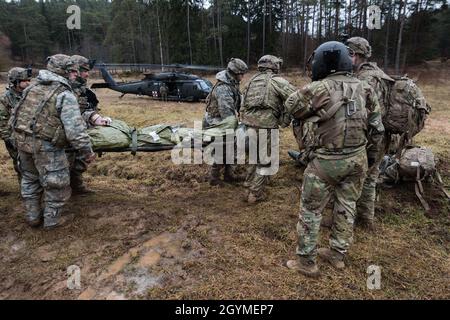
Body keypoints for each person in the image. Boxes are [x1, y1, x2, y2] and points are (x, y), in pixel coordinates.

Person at [284, 41, 384, 277]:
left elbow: (292, 107)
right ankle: (337, 255)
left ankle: (306, 263)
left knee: (310, 210)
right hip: (358, 159)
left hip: (326, 161)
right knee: (347, 206)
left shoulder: (319, 88)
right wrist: (369, 158)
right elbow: (377, 129)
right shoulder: (366, 88)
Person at [10, 54, 96, 229]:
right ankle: (52, 222)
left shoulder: (31, 89)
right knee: (56, 183)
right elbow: (76, 131)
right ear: (63, 72)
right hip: (47, 147)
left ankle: (33, 216)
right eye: (72, 71)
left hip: (23, 143)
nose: (75, 74)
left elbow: (16, 116)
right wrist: (87, 152)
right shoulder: (64, 94)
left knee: (30, 180)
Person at [346, 37, 395, 230]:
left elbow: (360, 112)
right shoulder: (380, 74)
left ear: (355, 55)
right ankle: (366, 219)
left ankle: (347, 221)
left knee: (354, 179)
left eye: (348, 53)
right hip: (383, 134)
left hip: (370, 135)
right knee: (370, 177)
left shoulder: (363, 79)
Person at [239, 55, 296, 203]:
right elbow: (295, 98)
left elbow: (242, 104)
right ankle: (255, 193)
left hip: (249, 125)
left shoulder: (251, 81)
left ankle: (247, 188)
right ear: (274, 66)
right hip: (267, 126)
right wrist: (285, 119)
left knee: (252, 157)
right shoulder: (277, 81)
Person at [202, 58, 248, 186]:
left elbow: (238, 101)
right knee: (221, 148)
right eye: (241, 74)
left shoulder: (232, 83)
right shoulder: (223, 89)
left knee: (231, 146)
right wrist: (236, 126)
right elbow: (226, 112)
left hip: (224, 120)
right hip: (217, 122)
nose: (243, 76)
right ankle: (214, 178)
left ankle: (229, 175)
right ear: (235, 73)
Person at [69, 55, 110, 194]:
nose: (87, 74)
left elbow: (85, 110)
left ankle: (75, 185)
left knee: (79, 159)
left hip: (79, 128)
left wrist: (95, 117)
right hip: (68, 131)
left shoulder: (82, 89)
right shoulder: (66, 90)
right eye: (84, 70)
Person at [0, 67, 32, 181]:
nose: (28, 83)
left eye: (28, 80)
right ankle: (25, 189)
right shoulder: (5, 98)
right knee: (21, 165)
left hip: (30, 135)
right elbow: (2, 122)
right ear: (16, 82)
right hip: (14, 137)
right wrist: (10, 139)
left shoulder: (30, 94)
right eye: (25, 81)